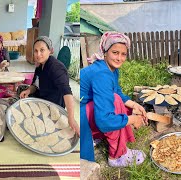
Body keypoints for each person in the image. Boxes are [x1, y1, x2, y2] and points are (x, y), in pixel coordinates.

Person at [80, 32, 148, 167]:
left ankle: (97, 136)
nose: (119, 58)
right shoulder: (102, 74)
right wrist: (133, 119)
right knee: (115, 102)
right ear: (105, 52)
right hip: (80, 117)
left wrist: (134, 105)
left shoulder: (110, 68)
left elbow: (116, 90)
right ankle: (117, 156)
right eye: (115, 53)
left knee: (118, 100)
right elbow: (104, 120)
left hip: (87, 108)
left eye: (123, 54)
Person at [19, 36, 79, 136]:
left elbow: (67, 93)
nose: (38, 54)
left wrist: (71, 118)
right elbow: (35, 84)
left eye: (42, 50)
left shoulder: (56, 68)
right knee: (21, 89)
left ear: (50, 50)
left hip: (52, 105)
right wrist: (28, 91)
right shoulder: (40, 65)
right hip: (41, 98)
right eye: (36, 51)